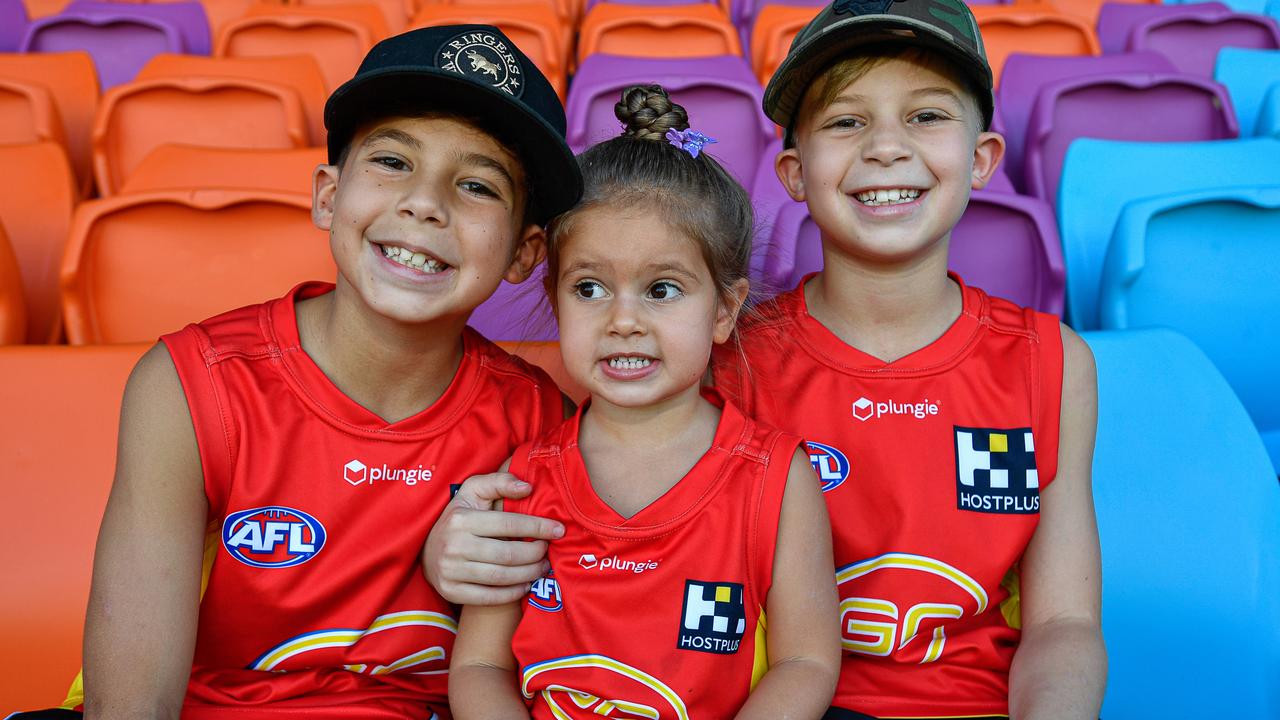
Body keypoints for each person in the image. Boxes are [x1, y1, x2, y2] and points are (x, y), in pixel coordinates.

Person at [424, 2, 1107, 719]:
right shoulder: (711, 353)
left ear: (982, 159)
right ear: (793, 170)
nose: (885, 147)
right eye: (846, 121)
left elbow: (1064, 625)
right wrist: (452, 548)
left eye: (927, 116)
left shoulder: (1049, 362)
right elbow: (585, 548)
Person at [74, 25, 582, 720]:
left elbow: (560, 664)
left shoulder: (538, 421)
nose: (425, 202)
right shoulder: (193, 386)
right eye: (394, 162)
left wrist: (466, 583)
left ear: (524, 254)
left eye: (476, 185)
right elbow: (130, 704)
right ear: (326, 196)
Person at [448, 85, 840, 719]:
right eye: (590, 287)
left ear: (725, 309)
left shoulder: (776, 477)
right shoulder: (523, 475)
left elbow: (806, 663)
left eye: (661, 289)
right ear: (555, 301)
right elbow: (480, 666)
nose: (622, 320)